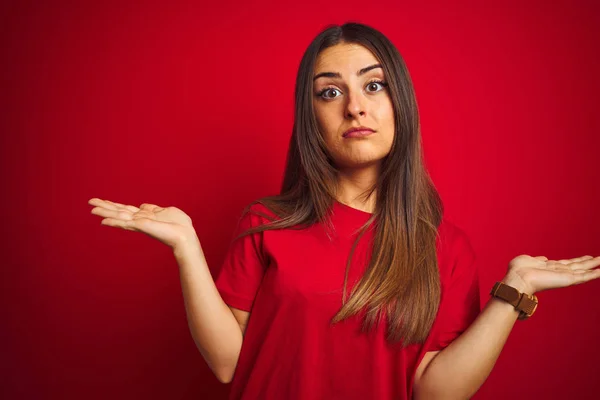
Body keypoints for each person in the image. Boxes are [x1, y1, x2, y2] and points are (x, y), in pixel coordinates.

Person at [88, 22, 600, 400]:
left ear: (400, 102)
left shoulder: (446, 248)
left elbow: (435, 391)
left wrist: (514, 294)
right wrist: (186, 248)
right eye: (330, 92)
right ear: (311, 118)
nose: (354, 106)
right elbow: (227, 365)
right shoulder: (265, 222)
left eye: (373, 85)